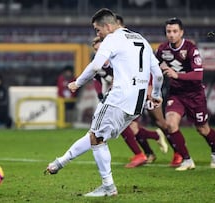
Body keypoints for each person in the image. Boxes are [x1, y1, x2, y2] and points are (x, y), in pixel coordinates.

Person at [45, 8, 163, 197]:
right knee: (97, 135)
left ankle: (108, 187)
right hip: (137, 103)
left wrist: (78, 82)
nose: (97, 34)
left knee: (97, 138)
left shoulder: (112, 38)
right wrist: (156, 94)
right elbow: (157, 74)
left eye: (97, 30)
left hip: (119, 98)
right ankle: (60, 162)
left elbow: (96, 65)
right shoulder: (141, 39)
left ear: (108, 26)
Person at [91, 36, 168, 168]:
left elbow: (144, 70)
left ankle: (141, 154)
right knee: (131, 127)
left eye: (101, 49)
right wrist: (100, 94)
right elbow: (96, 79)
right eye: (96, 50)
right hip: (121, 96)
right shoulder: (98, 63)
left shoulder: (120, 58)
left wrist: (149, 87)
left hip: (134, 94)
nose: (100, 53)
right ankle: (150, 147)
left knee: (125, 126)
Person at [156, 17, 215, 170]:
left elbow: (198, 76)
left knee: (202, 129)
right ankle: (187, 160)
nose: (171, 34)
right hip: (176, 94)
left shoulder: (191, 48)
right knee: (170, 124)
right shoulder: (162, 49)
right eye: (168, 31)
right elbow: (153, 67)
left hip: (194, 94)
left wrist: (176, 75)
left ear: (181, 32)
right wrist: (153, 89)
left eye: (175, 31)